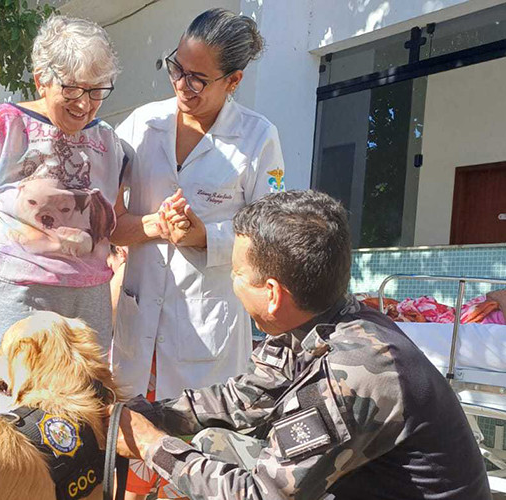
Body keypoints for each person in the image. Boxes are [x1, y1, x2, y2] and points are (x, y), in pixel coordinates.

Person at [113, 190, 491, 500]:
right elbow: (243, 400)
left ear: (273, 294)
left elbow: (261, 495)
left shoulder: (353, 370)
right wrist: (142, 414)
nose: (234, 282)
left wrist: (151, 445)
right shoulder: (318, 321)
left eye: (237, 273)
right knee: (212, 444)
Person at [110, 9, 285, 498]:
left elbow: (271, 237)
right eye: (176, 68)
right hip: (139, 326)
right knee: (130, 455)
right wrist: (151, 227)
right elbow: (108, 221)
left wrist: (202, 237)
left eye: (198, 78)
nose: (182, 85)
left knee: (194, 466)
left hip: (205, 333)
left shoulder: (257, 138)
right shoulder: (141, 124)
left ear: (234, 81)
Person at [0, 15, 125, 413]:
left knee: (83, 421)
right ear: (42, 78)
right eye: (73, 89)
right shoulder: (5, 125)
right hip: (17, 293)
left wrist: (159, 224)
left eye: (97, 91)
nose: (85, 104)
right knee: (13, 417)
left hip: (88, 301)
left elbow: (116, 224)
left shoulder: (110, 141)